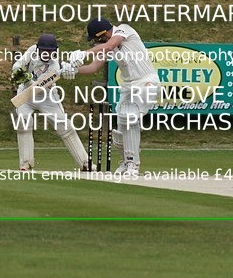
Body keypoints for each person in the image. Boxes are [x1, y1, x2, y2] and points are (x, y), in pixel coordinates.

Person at [62, 18, 160, 176]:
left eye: (96, 38)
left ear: (103, 33)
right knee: (119, 131)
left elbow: (110, 45)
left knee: (129, 117)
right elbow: (93, 66)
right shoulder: (105, 46)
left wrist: (82, 53)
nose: (96, 42)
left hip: (146, 82)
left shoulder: (124, 30)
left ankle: (133, 164)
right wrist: (73, 71)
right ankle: (126, 161)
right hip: (128, 87)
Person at [11, 33, 90, 171]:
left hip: (46, 95)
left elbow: (39, 88)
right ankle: (25, 163)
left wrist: (27, 79)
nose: (46, 54)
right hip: (25, 95)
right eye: (43, 51)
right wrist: (18, 72)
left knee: (65, 127)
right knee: (23, 123)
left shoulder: (54, 64)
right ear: (38, 49)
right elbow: (19, 64)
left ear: (55, 51)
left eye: (50, 52)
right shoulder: (32, 51)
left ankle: (85, 163)